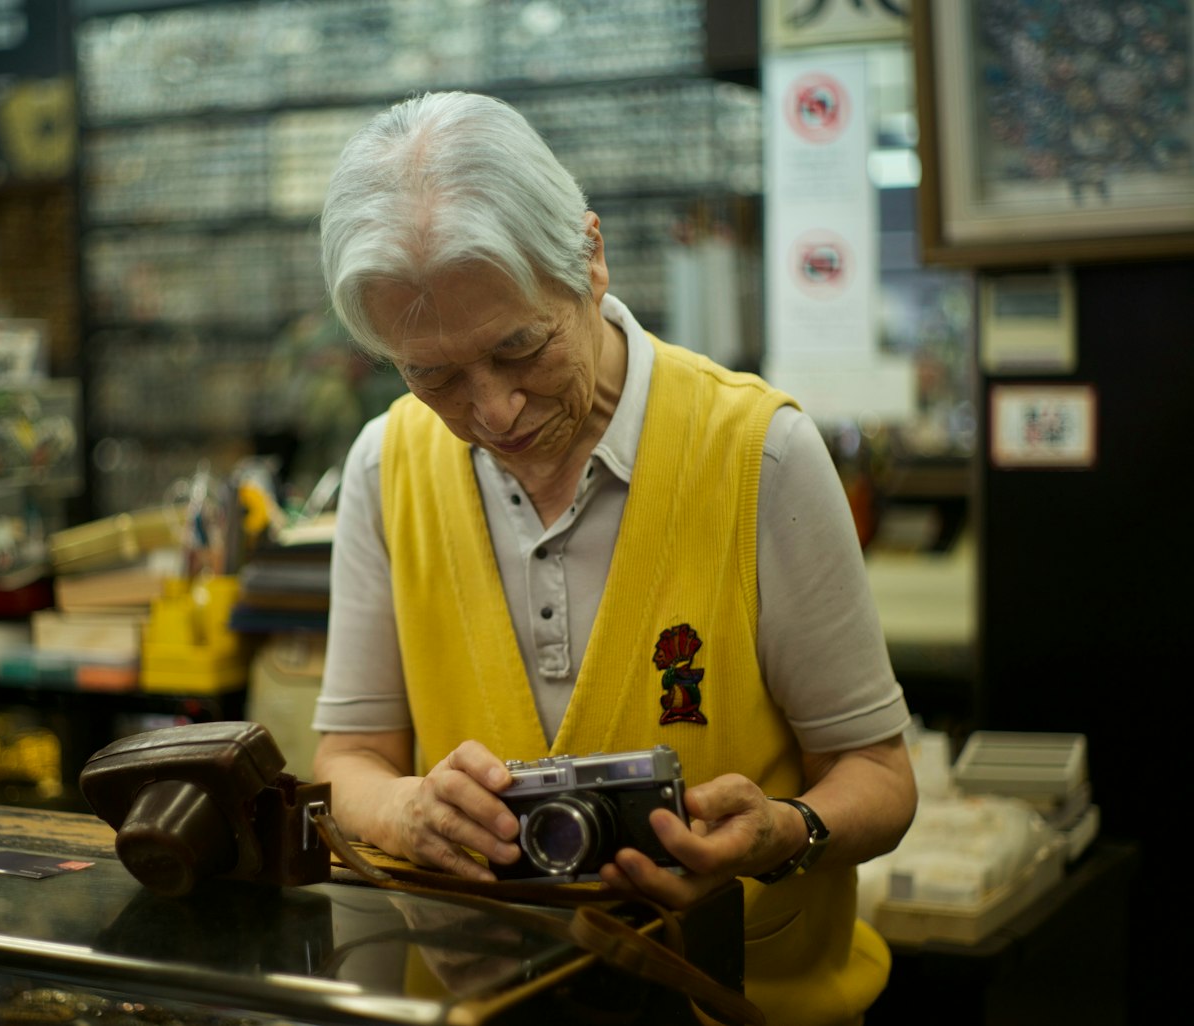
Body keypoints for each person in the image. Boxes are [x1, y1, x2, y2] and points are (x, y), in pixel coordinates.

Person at [310, 91, 917, 1026]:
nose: (495, 412)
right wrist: (406, 815)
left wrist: (784, 833)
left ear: (590, 258)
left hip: (741, 1002)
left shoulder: (758, 455)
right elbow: (349, 760)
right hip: (483, 1005)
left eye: (520, 348)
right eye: (432, 374)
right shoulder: (386, 468)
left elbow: (877, 777)